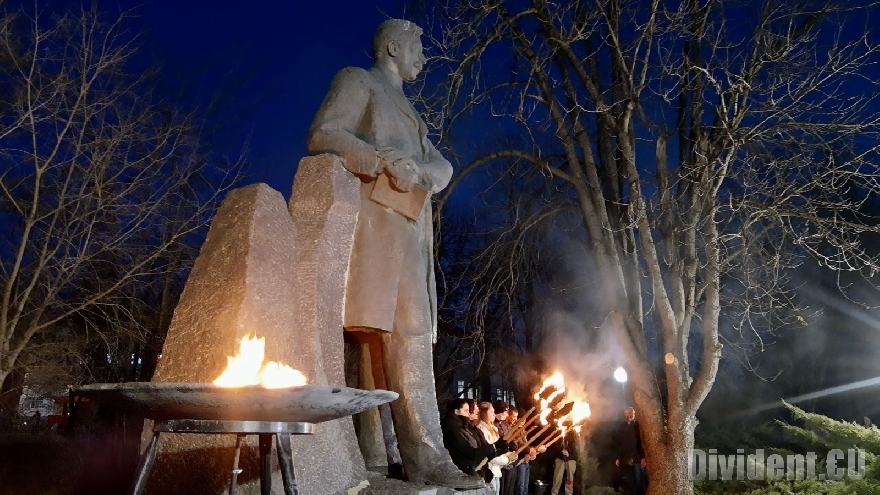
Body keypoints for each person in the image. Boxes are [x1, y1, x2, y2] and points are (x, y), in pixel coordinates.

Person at [307, 18, 468, 488]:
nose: (423, 56)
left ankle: (378, 455)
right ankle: (427, 457)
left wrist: (420, 169)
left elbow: (443, 164)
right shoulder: (358, 81)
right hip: (377, 227)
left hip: (407, 228)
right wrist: (379, 161)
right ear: (393, 47)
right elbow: (322, 134)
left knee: (384, 340)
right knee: (406, 332)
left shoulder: (410, 110)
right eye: (418, 47)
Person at [441, 398, 507, 480]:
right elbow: (472, 453)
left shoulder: (465, 428)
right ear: (457, 412)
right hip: (465, 474)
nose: (469, 413)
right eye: (466, 410)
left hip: (475, 471)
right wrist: (494, 447)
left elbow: (483, 450)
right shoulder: (454, 430)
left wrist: (499, 449)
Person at [477, 402, 517, 493]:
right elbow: (491, 453)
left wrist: (509, 454)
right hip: (489, 470)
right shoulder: (482, 429)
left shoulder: (493, 428)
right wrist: (507, 460)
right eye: (491, 412)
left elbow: (500, 450)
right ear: (484, 413)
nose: (494, 414)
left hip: (496, 469)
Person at [615, 407, 647, 495]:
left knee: (638, 481)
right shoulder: (623, 425)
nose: (629, 415)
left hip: (637, 458)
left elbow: (642, 441)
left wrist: (643, 457)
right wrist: (618, 457)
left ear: (634, 414)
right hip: (625, 458)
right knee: (628, 482)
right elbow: (620, 442)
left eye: (631, 413)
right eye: (627, 413)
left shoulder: (638, 425)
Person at [548, 428, 577, 495]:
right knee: (557, 477)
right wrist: (561, 450)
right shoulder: (559, 431)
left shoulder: (574, 433)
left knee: (570, 478)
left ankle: (569, 493)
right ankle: (554, 493)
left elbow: (576, 448)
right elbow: (555, 445)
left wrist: (569, 453)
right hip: (560, 459)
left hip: (571, 460)